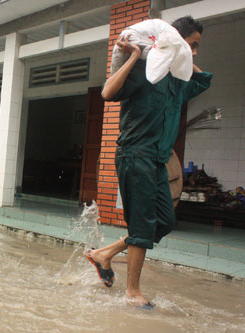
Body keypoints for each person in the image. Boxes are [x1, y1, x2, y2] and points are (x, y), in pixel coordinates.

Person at [85, 16, 212, 309]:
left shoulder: (177, 82)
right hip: (135, 154)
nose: (195, 52)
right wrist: (135, 56)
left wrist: (180, 53)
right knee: (142, 225)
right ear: (177, 39)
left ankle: (105, 254)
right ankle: (132, 292)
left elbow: (203, 79)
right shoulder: (143, 70)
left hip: (157, 161)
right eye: (192, 45)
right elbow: (107, 92)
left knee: (164, 222)